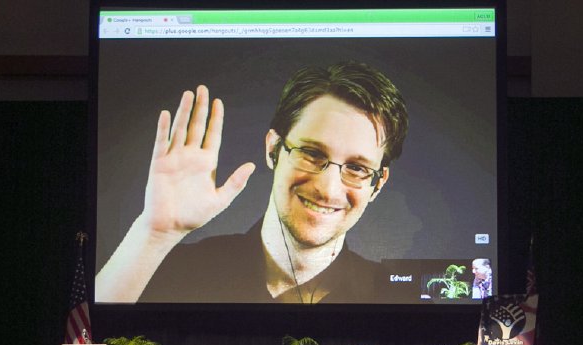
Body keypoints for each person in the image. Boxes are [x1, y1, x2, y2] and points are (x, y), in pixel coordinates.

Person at [95, 61, 409, 304]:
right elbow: (85, 337)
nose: (327, 188)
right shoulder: (177, 267)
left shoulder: (394, 295)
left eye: (357, 168)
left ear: (378, 184)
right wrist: (153, 235)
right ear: (273, 149)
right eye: (312, 153)